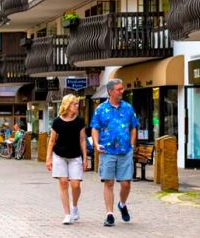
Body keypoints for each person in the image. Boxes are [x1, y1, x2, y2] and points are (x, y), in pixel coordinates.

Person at [91, 78, 139, 227]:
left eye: (122, 88)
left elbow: (134, 126)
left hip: (125, 151)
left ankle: (122, 204)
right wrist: (97, 144)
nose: (122, 91)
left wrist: (132, 144)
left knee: (125, 184)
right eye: (119, 89)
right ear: (111, 91)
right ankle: (109, 214)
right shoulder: (101, 109)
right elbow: (95, 128)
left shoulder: (128, 108)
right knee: (109, 182)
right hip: (107, 151)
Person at [46, 94, 88, 225]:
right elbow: (52, 141)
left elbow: (82, 140)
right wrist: (48, 158)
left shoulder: (79, 121)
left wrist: (85, 158)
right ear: (67, 105)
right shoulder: (57, 121)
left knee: (75, 184)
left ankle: (74, 206)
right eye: (74, 104)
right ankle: (67, 214)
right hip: (59, 155)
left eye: (77, 104)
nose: (77, 106)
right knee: (63, 183)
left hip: (75, 156)